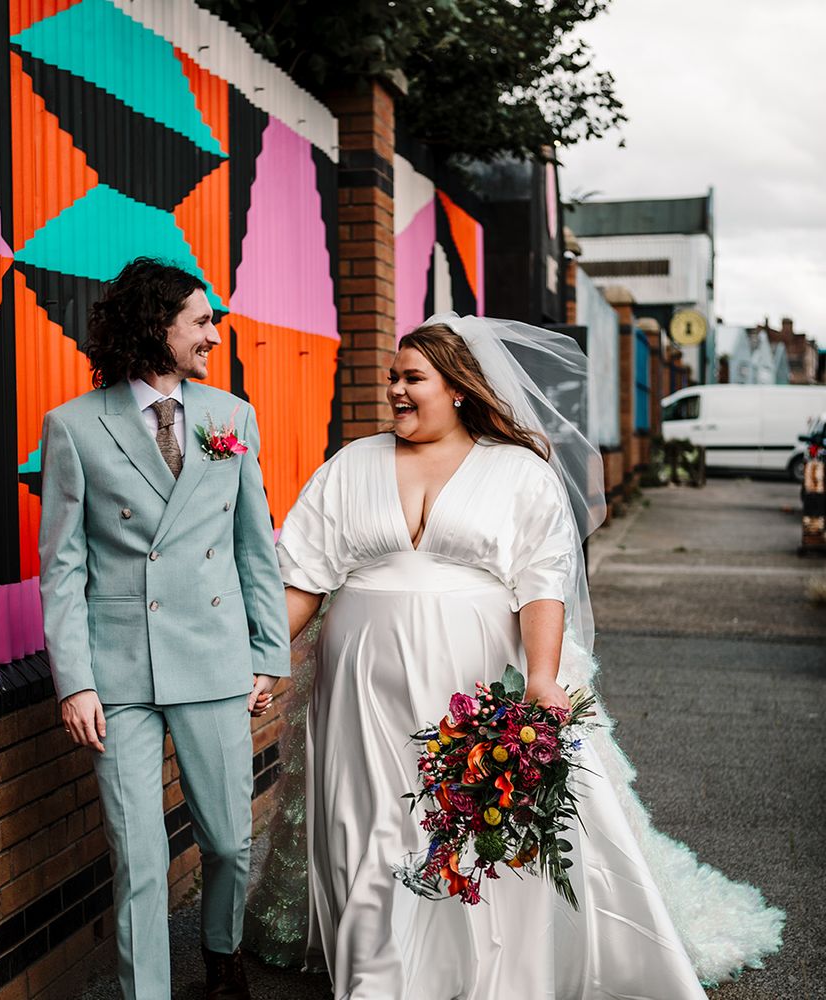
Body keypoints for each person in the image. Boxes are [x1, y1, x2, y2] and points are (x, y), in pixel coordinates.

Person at [254, 314, 783, 999]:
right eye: (393, 378)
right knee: (369, 824)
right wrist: (265, 659)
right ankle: (377, 976)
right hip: (358, 693)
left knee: (466, 820)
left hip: (469, 687)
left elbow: (541, 583)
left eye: (413, 378)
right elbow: (303, 577)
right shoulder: (350, 465)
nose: (396, 392)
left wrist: (540, 676)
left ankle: (475, 968)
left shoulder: (516, 474)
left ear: (460, 390)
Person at [38, 258, 290, 1000]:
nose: (214, 334)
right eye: (201, 321)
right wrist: (75, 683)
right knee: (140, 857)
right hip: (119, 674)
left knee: (230, 841)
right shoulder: (75, 427)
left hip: (214, 658)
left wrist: (268, 652)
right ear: (158, 327)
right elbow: (61, 568)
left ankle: (221, 950)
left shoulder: (231, 417)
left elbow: (254, 546)